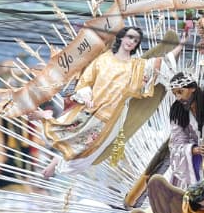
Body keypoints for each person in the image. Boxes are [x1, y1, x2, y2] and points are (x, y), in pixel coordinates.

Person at [39, 26, 178, 176]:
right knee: (64, 135)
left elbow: (160, 64)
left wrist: (182, 44)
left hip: (112, 118)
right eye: (130, 37)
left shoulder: (136, 66)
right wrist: (86, 96)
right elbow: (85, 81)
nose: (131, 41)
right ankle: (45, 118)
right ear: (121, 38)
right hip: (91, 110)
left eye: (136, 40)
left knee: (86, 155)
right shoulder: (103, 59)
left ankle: (57, 162)